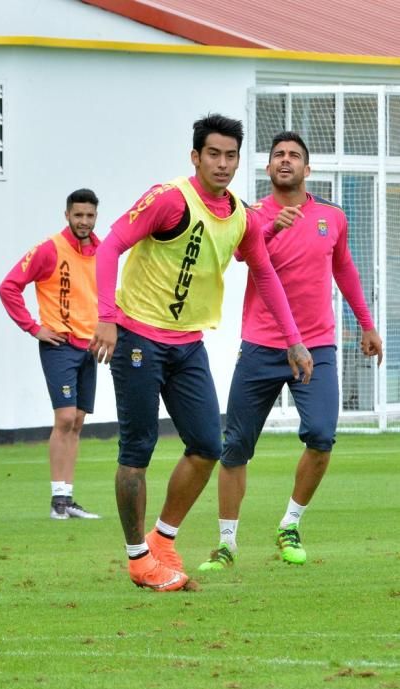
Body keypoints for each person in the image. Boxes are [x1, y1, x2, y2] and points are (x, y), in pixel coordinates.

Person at [89, 115, 313, 592]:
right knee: (138, 449)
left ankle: (163, 539)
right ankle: (138, 559)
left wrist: (294, 339)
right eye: (213, 153)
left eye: (231, 155)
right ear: (196, 157)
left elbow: (266, 274)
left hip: (188, 343)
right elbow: (110, 247)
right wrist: (106, 316)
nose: (222, 163)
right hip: (137, 337)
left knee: (210, 445)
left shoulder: (241, 216)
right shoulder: (169, 199)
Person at [199, 131, 383, 571]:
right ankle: (226, 544)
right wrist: (266, 229)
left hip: (317, 345)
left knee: (321, 436)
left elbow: (344, 269)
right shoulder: (249, 215)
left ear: (307, 168)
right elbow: (237, 258)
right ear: (267, 168)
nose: (285, 161)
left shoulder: (332, 217)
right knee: (235, 447)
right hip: (261, 345)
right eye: (278, 155)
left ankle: (290, 524)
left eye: (294, 156)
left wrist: (367, 324)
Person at [0, 188, 102, 521]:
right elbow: (9, 286)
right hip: (60, 345)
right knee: (65, 418)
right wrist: (33, 327)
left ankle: (67, 498)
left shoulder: (102, 251)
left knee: (79, 423)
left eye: (90, 215)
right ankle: (58, 500)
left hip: (90, 347)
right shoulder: (49, 249)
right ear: (67, 215)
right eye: (78, 215)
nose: (84, 221)